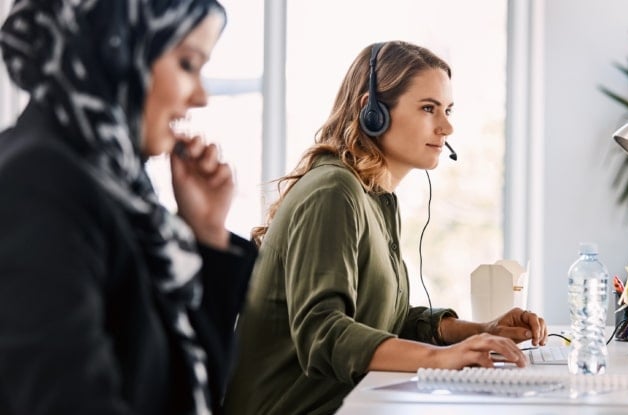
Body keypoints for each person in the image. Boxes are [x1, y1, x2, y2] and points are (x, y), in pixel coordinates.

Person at [223, 40, 549, 415]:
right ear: (372, 111)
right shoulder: (333, 190)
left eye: (448, 110)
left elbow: (389, 321)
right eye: (429, 109)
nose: (446, 127)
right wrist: (443, 359)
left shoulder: (375, 198)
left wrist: (481, 331)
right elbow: (323, 333)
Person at [0, 1, 257, 414]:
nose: (202, 96)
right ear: (114, 48)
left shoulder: (115, 185)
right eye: (188, 63)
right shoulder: (39, 183)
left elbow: (189, 387)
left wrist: (206, 232)